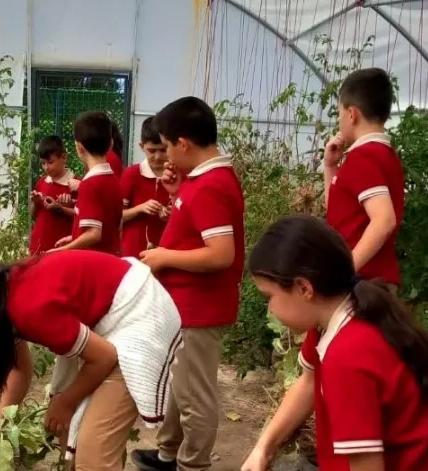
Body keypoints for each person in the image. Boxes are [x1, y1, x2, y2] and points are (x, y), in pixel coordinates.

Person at [0, 249, 182, 471]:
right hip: (109, 316)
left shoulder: (29, 309)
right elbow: (19, 370)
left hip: (139, 313)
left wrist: (66, 401)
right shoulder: (4, 295)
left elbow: (104, 357)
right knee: (70, 434)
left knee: (93, 458)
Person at [240, 215, 428, 471]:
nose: (270, 309)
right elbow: (307, 383)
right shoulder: (337, 317)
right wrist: (264, 448)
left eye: (269, 297)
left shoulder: (347, 356)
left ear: (304, 288)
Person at [132, 97, 244, 471]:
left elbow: (221, 253)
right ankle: (170, 455)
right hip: (186, 306)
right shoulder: (200, 181)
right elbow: (198, 230)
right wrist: (178, 192)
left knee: (195, 395)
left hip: (200, 307)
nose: (163, 157)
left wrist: (165, 257)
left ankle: (192, 464)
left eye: (165, 147)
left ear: (183, 143)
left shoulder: (212, 184)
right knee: (181, 389)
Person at [323, 68, 404, 290]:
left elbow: (384, 220)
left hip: (364, 282)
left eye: (339, 114)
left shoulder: (364, 157)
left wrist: (346, 270)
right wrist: (330, 166)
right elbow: (338, 215)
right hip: (371, 279)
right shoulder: (383, 155)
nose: (339, 121)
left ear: (352, 114)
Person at [53, 111, 123, 254]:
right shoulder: (113, 180)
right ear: (110, 144)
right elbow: (109, 226)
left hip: (92, 262)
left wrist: (62, 251)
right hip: (110, 257)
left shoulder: (89, 185)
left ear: (79, 147)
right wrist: (75, 237)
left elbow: (93, 234)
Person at [120, 117, 171, 257]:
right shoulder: (132, 174)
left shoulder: (177, 175)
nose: (158, 156)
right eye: (152, 151)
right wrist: (140, 208)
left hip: (166, 252)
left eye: (163, 150)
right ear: (141, 146)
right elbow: (115, 216)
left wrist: (170, 214)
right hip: (133, 251)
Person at [29, 136, 78, 255]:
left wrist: (63, 208)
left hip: (61, 246)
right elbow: (33, 215)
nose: (46, 167)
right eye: (43, 163)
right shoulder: (42, 182)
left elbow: (80, 215)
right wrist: (35, 202)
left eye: (50, 162)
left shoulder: (75, 184)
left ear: (64, 157)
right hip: (38, 244)